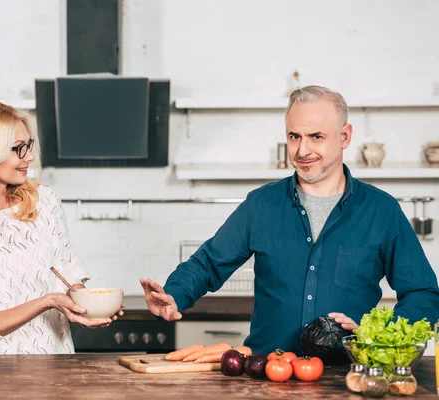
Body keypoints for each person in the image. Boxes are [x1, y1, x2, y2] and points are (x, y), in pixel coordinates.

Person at [141, 85, 439, 354]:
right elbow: (208, 264)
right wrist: (174, 295)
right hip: (267, 373)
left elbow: (422, 293)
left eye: (316, 137)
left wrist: (377, 336)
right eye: (294, 136)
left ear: (345, 136)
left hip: (348, 378)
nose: (302, 150)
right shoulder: (262, 204)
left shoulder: (381, 210)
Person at [0, 101, 123, 354]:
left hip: (55, 365)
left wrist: (85, 305)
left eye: (28, 145)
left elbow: (66, 272)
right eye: (17, 149)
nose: (30, 157)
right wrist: (46, 302)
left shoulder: (44, 201)